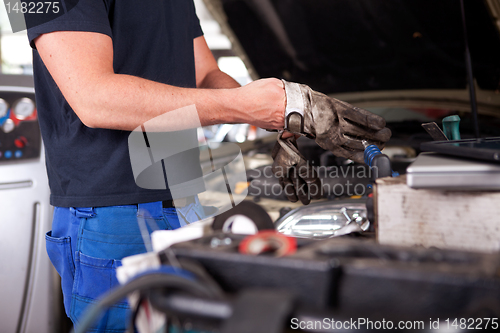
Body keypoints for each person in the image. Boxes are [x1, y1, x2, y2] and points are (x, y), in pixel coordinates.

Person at [25, 1, 390, 331]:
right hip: (111, 213)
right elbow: (94, 100)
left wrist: (283, 116)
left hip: (186, 198)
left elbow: (206, 75)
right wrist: (247, 107)